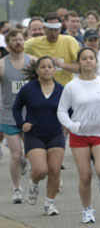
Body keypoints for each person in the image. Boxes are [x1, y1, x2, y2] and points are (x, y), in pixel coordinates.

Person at [57, 47, 100, 223]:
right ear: (79, 63)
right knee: (84, 176)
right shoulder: (71, 86)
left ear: (96, 62)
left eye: (91, 58)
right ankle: (87, 209)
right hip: (80, 135)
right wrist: (72, 126)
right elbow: (61, 111)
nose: (88, 60)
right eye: (84, 58)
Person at [12, 56, 64, 214]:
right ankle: (34, 182)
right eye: (43, 67)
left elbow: (69, 111)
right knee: (41, 170)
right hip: (34, 135)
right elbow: (16, 108)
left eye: (50, 66)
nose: (47, 69)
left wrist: (69, 125)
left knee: (55, 170)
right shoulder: (28, 89)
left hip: (55, 134)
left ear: (54, 70)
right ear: (37, 70)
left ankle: (50, 203)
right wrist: (22, 124)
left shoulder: (61, 90)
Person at [0, 29, 35, 204]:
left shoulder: (32, 62)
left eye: (21, 40)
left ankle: (26, 166)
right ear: (8, 44)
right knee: (15, 153)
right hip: (8, 114)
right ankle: (17, 188)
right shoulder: (2, 64)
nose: (18, 43)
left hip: (29, 115)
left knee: (29, 152)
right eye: (14, 41)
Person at [24, 12, 80, 86]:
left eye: (56, 30)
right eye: (50, 30)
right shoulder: (32, 44)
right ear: (44, 28)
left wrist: (60, 64)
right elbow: (18, 58)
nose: (53, 33)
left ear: (60, 29)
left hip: (64, 89)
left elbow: (80, 68)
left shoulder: (70, 41)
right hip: (41, 89)